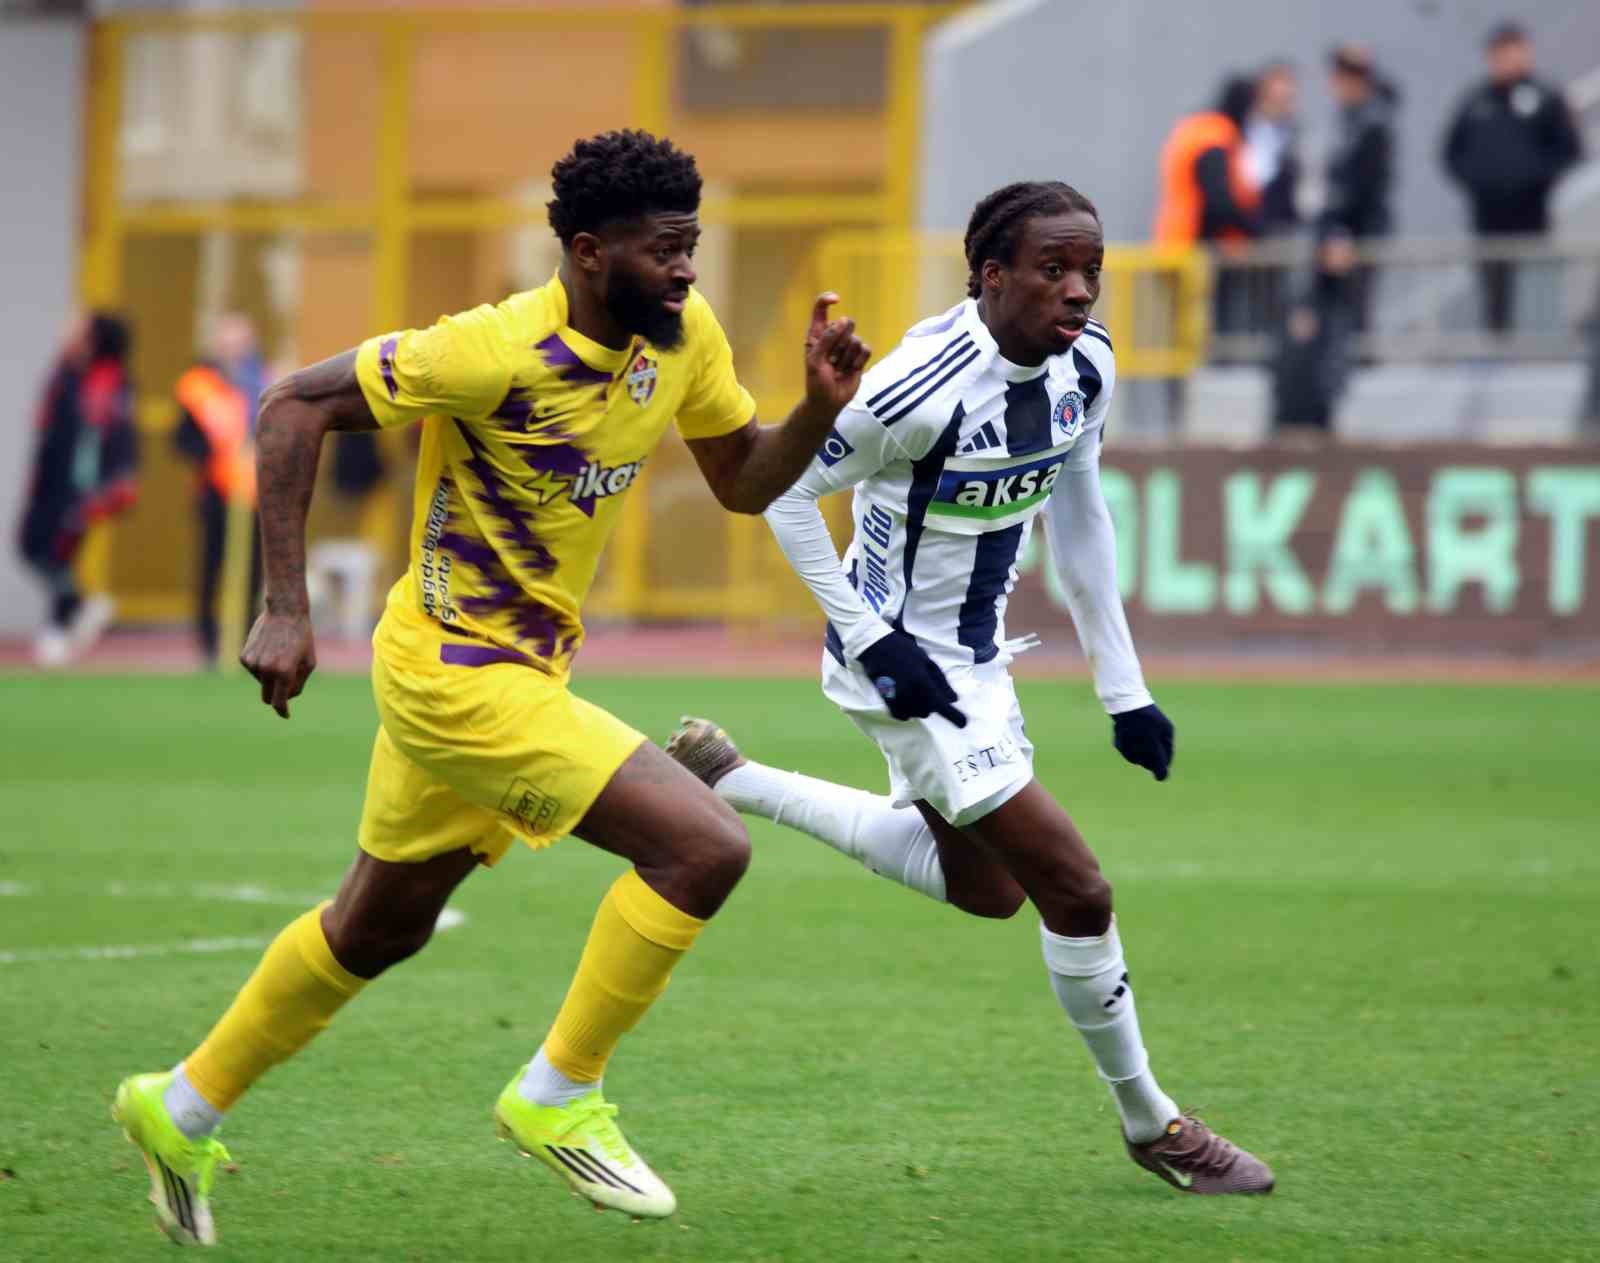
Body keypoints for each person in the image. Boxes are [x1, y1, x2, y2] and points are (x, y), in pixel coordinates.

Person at [109, 129, 870, 1243]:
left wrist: (813, 410)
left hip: (512, 666)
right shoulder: (490, 351)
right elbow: (290, 408)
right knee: (704, 845)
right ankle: (558, 1093)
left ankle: (177, 1109)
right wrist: (282, 602)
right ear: (586, 250)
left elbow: (743, 482)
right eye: (666, 251)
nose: (688, 271)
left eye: (692, 247)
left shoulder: (683, 339)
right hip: (455, 675)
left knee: (377, 928)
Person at [669, 182, 1274, 1196]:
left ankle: (732, 779)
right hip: (903, 668)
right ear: (990, 276)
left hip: (977, 660)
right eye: (1052, 270)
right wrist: (873, 641)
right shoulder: (915, 386)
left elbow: (1078, 513)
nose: (1077, 291)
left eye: (1089, 270)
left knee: (992, 889)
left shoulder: (1088, 365)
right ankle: (1155, 1125)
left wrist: (1123, 689)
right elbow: (783, 496)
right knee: (1075, 889)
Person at [1442, 21, 1583, 334]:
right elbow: (1451, 153)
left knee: (1537, 291)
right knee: (1495, 294)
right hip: (1488, 216)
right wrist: (1479, 180)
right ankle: (1499, 351)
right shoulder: (1476, 100)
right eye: (1501, 52)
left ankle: (1539, 352)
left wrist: (1535, 177)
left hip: (1532, 214)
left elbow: (1569, 149)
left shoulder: (1545, 97)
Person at [17, 311, 137, 666]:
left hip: (81, 488)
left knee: (59, 554)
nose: (67, 331)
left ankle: (57, 630)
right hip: (49, 482)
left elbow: (120, 436)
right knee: (31, 547)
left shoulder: (112, 380)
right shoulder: (66, 373)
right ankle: (81, 606)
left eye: (78, 329)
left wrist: (117, 481)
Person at [174, 312, 267, 665]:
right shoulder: (199, 384)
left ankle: (248, 638)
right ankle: (208, 642)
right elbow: (183, 439)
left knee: (254, 572)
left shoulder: (262, 379)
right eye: (227, 340)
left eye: (240, 340)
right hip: (214, 490)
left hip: (256, 492)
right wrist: (208, 454)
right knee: (211, 566)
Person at [1154, 76, 1263, 341]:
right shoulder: (1216, 137)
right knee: (1203, 331)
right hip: (1197, 248)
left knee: (1182, 332)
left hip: (1176, 243)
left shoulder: (1196, 130)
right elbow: (1218, 201)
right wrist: (1254, 229)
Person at [1319, 45, 1398, 335]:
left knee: (1356, 307)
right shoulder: (1349, 120)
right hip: (1345, 229)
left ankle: (1358, 368)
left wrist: (1340, 233)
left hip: (1360, 230)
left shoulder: (1372, 124)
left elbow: (1363, 187)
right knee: (1341, 307)